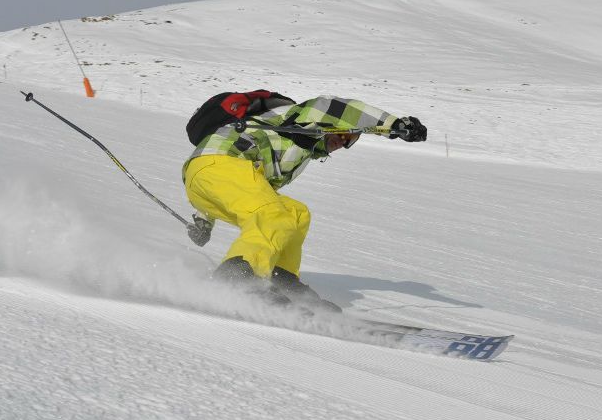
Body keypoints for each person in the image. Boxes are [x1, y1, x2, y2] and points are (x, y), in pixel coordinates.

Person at [182, 95, 427, 309]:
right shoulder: (298, 116)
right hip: (221, 161)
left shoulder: (296, 157)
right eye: (342, 133)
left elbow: (240, 191)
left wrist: (205, 221)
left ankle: (282, 279)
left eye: (349, 141)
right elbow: (337, 106)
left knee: (295, 213)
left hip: (207, 179)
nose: (342, 141)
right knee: (272, 214)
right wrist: (394, 125)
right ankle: (236, 278)